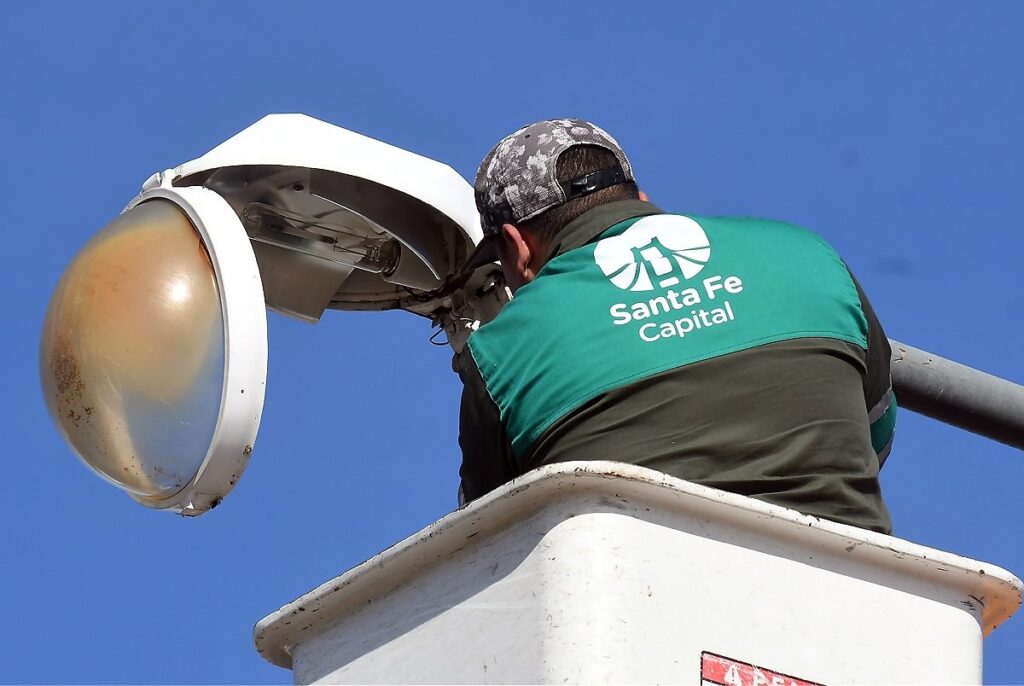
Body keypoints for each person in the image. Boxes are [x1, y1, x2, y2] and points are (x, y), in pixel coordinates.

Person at [456, 118, 895, 534]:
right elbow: (874, 431)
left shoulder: (500, 349)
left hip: (649, 603)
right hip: (863, 589)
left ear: (516, 247)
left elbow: (488, 537)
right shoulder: (808, 254)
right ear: (640, 200)